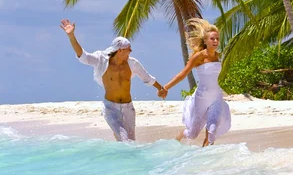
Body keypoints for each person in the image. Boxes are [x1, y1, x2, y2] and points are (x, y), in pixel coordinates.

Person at [60, 19, 167, 142]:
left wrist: (160, 88)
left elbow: (147, 78)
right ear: (120, 50)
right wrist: (71, 36)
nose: (131, 51)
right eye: (129, 48)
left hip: (128, 108)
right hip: (110, 107)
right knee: (124, 138)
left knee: (131, 142)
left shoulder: (133, 64)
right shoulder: (101, 60)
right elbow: (84, 56)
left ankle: (121, 158)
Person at [159, 19, 231, 147]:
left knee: (212, 131)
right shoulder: (198, 57)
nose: (215, 41)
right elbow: (182, 74)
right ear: (205, 41)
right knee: (192, 134)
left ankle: (204, 159)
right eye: (212, 39)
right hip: (201, 98)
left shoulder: (219, 56)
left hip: (216, 97)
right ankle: (178, 138)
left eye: (217, 39)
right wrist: (166, 87)